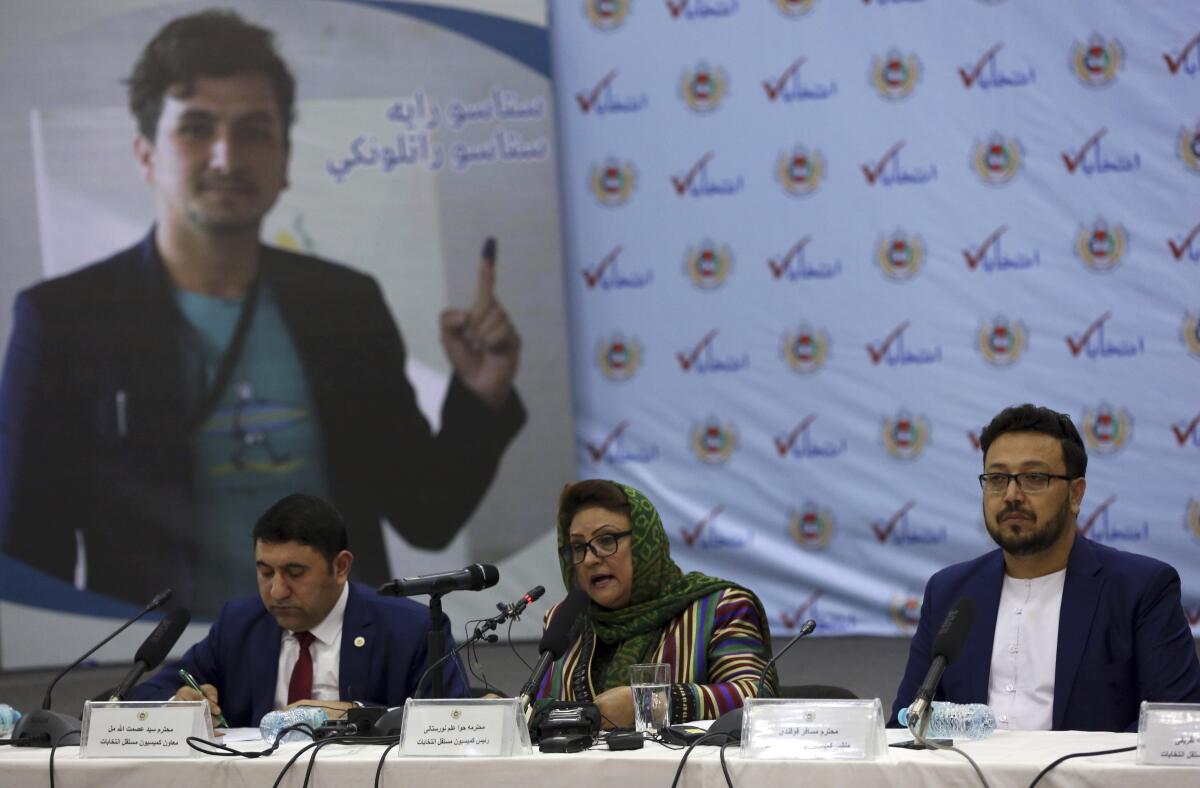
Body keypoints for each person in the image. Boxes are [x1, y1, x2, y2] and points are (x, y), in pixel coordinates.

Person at [0, 9, 525, 617]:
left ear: (284, 158)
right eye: (196, 128)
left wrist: (480, 395)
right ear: (145, 154)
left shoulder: (344, 305)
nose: (227, 155)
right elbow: (30, 551)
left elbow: (426, 515)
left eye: (253, 130)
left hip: (342, 674)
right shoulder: (66, 322)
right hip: (167, 684)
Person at [891, 404, 1200, 732]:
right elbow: (905, 724)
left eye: (1034, 478)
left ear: (1075, 494)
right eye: (997, 479)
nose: (1011, 495)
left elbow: (1177, 730)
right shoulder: (950, 591)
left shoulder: (1140, 590)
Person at [129, 494, 467, 727]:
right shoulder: (240, 624)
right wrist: (179, 703)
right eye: (264, 572)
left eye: (294, 573)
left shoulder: (410, 629)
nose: (276, 590)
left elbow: (450, 721)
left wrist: (354, 714)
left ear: (341, 567)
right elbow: (145, 695)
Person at [533, 480, 777, 727]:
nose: (589, 559)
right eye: (577, 547)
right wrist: (504, 709)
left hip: (684, 765)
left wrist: (651, 703)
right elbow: (538, 708)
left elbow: (756, 697)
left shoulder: (720, 608)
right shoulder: (565, 620)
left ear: (643, 541)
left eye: (606, 540)